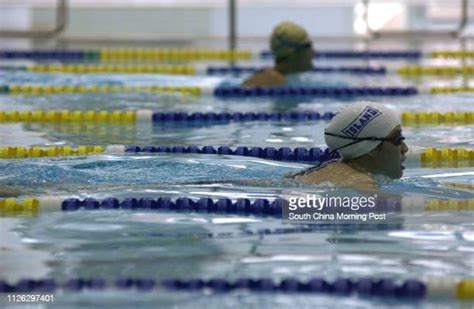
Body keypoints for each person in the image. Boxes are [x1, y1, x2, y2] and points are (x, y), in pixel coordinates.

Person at [290, 101, 409, 189]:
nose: (405, 148)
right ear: (371, 148)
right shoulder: (360, 182)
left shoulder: (327, 168)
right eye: (397, 139)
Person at [243, 21, 313, 87]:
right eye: (308, 46)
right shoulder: (276, 83)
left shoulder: (279, 79)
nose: (312, 52)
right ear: (292, 52)